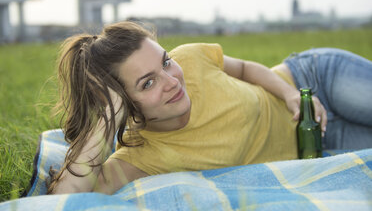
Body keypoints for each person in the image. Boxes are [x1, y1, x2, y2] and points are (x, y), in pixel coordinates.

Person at [48, 21, 372, 195]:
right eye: (148, 83)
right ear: (121, 103)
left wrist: (290, 95)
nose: (173, 81)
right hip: (320, 142)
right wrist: (107, 117)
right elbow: (66, 199)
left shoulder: (191, 58)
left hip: (313, 78)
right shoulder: (141, 155)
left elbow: (245, 68)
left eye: (165, 62)